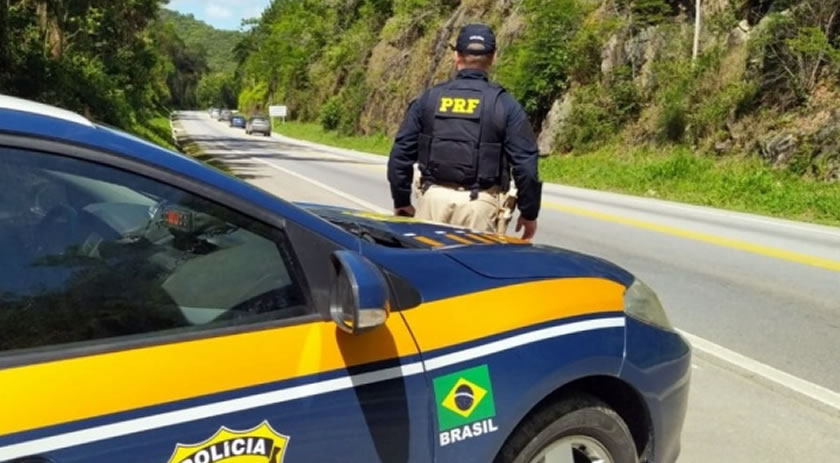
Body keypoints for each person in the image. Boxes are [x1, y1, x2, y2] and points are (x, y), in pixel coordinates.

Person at [387, 23, 542, 240]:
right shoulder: (504, 104)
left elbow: (400, 155)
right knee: (473, 263)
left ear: (456, 56)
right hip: (479, 208)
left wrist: (402, 201)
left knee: (426, 261)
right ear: (493, 58)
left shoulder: (429, 99)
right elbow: (526, 166)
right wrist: (529, 213)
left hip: (432, 202)